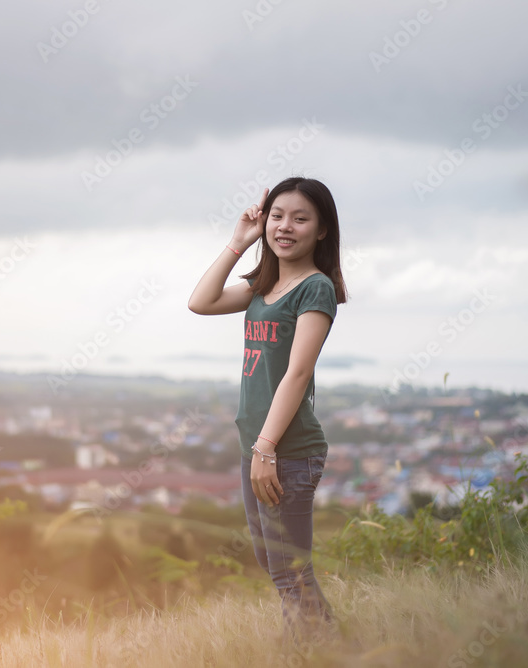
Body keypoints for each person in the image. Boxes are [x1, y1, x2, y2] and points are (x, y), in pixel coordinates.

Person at [188, 176, 348, 645]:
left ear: (321, 230)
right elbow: (200, 302)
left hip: (286, 450)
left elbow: (297, 374)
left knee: (289, 571)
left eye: (301, 218)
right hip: (257, 446)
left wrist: (266, 448)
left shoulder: (314, 289)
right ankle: (324, 649)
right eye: (277, 215)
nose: (285, 226)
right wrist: (238, 243)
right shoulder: (265, 286)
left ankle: (321, 652)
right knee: (274, 563)